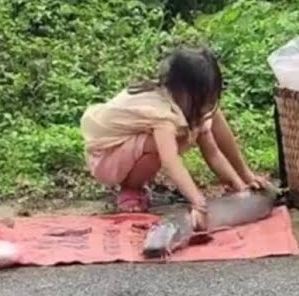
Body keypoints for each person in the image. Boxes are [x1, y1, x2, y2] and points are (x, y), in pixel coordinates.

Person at [80, 48, 266, 229]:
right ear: (185, 92)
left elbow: (213, 152)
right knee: (161, 145)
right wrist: (199, 203)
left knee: (206, 120)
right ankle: (131, 189)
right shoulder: (162, 114)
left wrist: (242, 183)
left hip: (130, 147)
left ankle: (240, 178)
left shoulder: (189, 106)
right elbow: (171, 162)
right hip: (107, 155)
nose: (208, 104)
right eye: (204, 98)